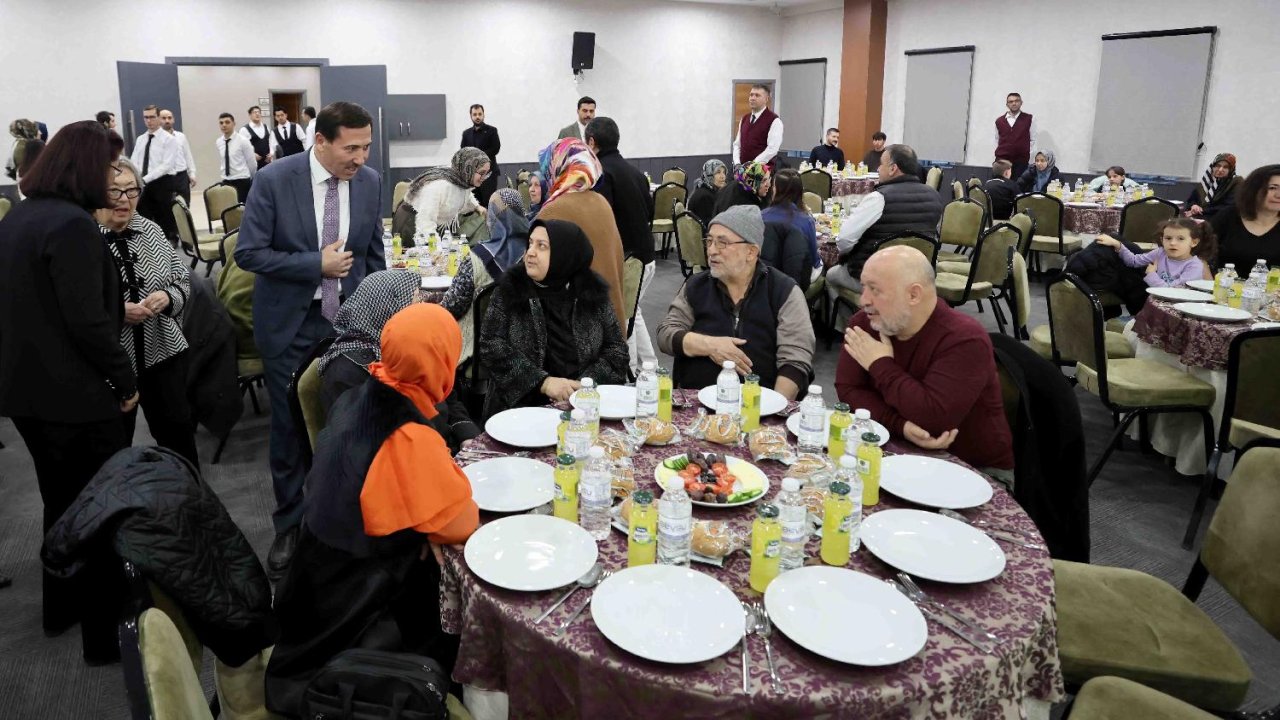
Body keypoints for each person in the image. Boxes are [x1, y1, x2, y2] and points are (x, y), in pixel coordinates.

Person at [266, 303, 479, 716]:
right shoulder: (407, 435)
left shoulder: (362, 394)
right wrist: (432, 527)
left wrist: (423, 523)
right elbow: (464, 520)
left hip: (311, 588)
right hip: (355, 614)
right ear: (440, 363)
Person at [0, 121, 137, 663]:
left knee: (59, 502)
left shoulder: (21, 217)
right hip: (75, 398)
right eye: (107, 168)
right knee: (99, 513)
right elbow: (89, 323)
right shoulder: (73, 226)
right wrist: (125, 382)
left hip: (29, 397)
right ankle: (104, 639)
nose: (112, 178)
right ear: (84, 167)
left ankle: (62, 608)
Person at [234, 101, 386, 575]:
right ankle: (290, 522)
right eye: (351, 148)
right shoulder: (275, 180)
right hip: (291, 324)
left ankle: (344, 517)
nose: (360, 158)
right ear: (320, 140)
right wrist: (312, 265)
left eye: (366, 147)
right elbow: (249, 253)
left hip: (349, 325)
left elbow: (372, 257)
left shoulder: (370, 182)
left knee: (350, 422)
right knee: (290, 428)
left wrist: (379, 314)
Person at [835, 246, 1014, 481]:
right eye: (864, 287)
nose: (863, 300)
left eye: (875, 290)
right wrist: (900, 425)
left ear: (913, 295)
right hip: (893, 449)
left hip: (971, 470)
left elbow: (933, 419)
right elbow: (848, 388)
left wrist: (880, 363)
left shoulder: (964, 339)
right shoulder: (866, 323)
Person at [95, 157, 199, 466]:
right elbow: (75, 306)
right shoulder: (85, 238)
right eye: (114, 191)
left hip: (162, 352)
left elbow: (183, 280)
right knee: (113, 451)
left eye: (132, 190)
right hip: (111, 365)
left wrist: (168, 297)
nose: (124, 199)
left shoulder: (151, 230)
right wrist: (116, 311)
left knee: (178, 438)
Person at [656, 205, 813, 399]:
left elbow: (795, 361)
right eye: (709, 241)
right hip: (696, 406)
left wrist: (771, 411)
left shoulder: (783, 291)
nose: (712, 251)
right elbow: (666, 334)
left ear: (751, 252)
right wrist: (709, 345)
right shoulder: (696, 286)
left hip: (760, 406)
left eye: (722, 243)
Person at [317, 270, 481, 452]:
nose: (419, 306)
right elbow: (360, 449)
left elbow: (445, 393)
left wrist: (465, 432)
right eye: (413, 299)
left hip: (437, 445)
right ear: (386, 308)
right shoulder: (345, 373)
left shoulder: (407, 342)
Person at [479, 219, 629, 417]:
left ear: (564, 254)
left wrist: (583, 386)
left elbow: (617, 351)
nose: (530, 252)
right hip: (521, 408)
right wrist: (543, 382)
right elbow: (490, 346)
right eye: (530, 243)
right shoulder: (511, 291)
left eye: (542, 246)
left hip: (583, 407)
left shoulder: (591, 294)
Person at [534, 137, 627, 333]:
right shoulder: (600, 201)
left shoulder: (553, 210)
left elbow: (539, 277)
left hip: (574, 332)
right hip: (611, 320)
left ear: (557, 167)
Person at [827, 144, 943, 297]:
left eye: (881, 164)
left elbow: (844, 240)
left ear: (893, 168)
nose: (878, 169)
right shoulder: (934, 197)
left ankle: (852, 320)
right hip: (915, 280)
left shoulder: (879, 198)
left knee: (830, 275)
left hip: (878, 280)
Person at [586, 116, 656, 370]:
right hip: (646, 256)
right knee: (632, 313)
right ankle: (650, 365)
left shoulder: (602, 175)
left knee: (622, 317)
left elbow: (603, 223)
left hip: (626, 261)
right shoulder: (636, 173)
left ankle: (631, 375)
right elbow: (650, 213)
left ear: (591, 143)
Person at [441, 188, 529, 376]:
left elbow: (451, 308)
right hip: (526, 355)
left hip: (477, 357)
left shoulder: (476, 259)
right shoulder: (534, 256)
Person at [396, 147, 489, 244]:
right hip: (412, 224)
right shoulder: (439, 186)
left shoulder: (461, 179)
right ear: (468, 168)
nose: (484, 178)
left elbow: (466, 194)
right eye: (482, 173)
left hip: (436, 221)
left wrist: (477, 206)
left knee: (480, 218)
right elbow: (425, 221)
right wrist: (436, 249)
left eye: (487, 173)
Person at [1094, 218, 1214, 290]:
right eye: (1168, 238)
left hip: (1180, 308)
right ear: (1162, 240)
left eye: (1180, 239)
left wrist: (1151, 274)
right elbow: (1134, 261)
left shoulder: (1194, 266)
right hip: (1159, 302)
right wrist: (1117, 245)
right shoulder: (1161, 252)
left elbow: (1171, 291)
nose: (1172, 243)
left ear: (1194, 242)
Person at [1210, 164, 1280, 270]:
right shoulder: (1228, 216)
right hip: (1222, 284)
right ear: (1254, 189)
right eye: (1272, 188)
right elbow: (1199, 255)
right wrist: (1208, 282)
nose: (1278, 195)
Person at [130, 104, 181, 239]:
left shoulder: (169, 139)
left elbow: (166, 165)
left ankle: (169, 241)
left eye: (152, 117)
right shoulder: (141, 139)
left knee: (163, 215)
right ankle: (148, 243)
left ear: (159, 118)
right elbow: (134, 161)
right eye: (146, 117)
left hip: (162, 182)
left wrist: (145, 179)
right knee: (143, 214)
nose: (149, 121)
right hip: (143, 182)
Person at [761, 167, 820, 273]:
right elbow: (813, 259)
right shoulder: (806, 220)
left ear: (776, 190)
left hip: (764, 274)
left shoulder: (761, 216)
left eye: (773, 186)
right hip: (797, 278)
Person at [731, 84, 783, 170]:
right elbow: (737, 144)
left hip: (761, 173)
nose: (752, 98)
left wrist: (753, 164)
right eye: (751, 95)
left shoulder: (774, 120)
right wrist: (737, 163)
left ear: (766, 99)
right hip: (741, 171)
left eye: (757, 95)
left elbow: (772, 149)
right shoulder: (744, 119)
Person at [461, 103, 501, 208]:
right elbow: (463, 151)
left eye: (480, 114)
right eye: (475, 114)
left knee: (489, 203)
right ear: (471, 116)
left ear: (483, 115)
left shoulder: (492, 131)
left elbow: (495, 148)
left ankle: (489, 224)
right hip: (473, 176)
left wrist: (478, 156)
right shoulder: (466, 134)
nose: (477, 117)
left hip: (489, 175)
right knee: (475, 205)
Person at [216, 111, 257, 202]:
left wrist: (249, 178)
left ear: (234, 124)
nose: (224, 125)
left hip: (241, 180)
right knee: (228, 209)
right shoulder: (219, 142)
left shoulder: (243, 141)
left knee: (242, 210)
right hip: (226, 180)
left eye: (227, 122)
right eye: (221, 123)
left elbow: (252, 163)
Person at [159, 109, 198, 204]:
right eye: (163, 118)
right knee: (167, 207)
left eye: (169, 118)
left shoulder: (181, 137)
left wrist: (192, 173)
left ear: (173, 120)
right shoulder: (155, 139)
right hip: (165, 177)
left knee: (184, 206)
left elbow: (188, 155)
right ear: (158, 120)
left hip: (181, 177)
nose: (167, 121)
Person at [995, 92, 1037, 179]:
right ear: (1007, 104)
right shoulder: (999, 121)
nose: (1014, 103)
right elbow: (997, 140)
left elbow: (1033, 140)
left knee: (1019, 188)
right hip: (1002, 161)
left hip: (1021, 162)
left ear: (1021, 102)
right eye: (1011, 101)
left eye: (1016, 101)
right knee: (1001, 187)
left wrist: (1029, 158)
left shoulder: (1029, 119)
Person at [1186, 153, 1241, 220]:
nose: (1220, 170)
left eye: (1225, 167)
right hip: (1200, 215)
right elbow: (1192, 199)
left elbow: (1228, 206)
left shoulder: (1236, 182)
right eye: (1218, 166)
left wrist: (1202, 210)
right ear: (1213, 166)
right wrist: (1194, 206)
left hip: (1222, 219)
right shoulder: (1208, 179)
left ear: (1231, 170)